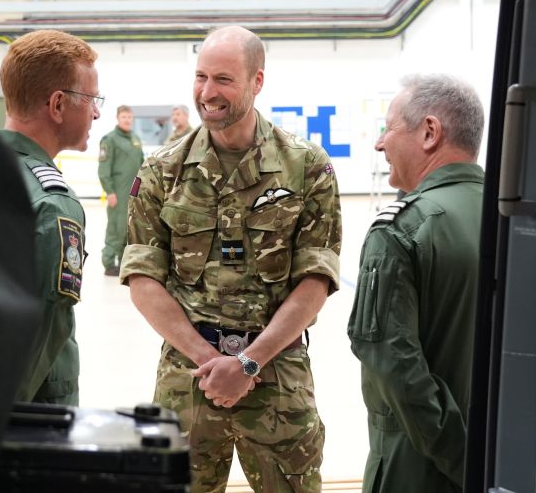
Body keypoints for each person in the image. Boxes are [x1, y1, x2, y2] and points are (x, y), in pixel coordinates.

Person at [119, 26, 341, 492]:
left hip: (277, 371)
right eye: (201, 76)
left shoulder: (306, 167)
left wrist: (248, 364)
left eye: (223, 79)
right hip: (189, 376)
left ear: (257, 81)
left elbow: (316, 280)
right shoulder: (162, 170)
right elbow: (142, 277)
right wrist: (212, 362)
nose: (207, 92)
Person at [347, 74, 485, 493]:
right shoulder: (517, 219)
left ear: (429, 132)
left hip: (421, 471)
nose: (379, 143)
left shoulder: (403, 229)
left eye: (388, 128)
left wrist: (466, 464)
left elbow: (396, 368)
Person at [0, 29, 102, 405]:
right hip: (29, 421)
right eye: (91, 98)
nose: (96, 111)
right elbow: (40, 334)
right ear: (58, 105)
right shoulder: (53, 204)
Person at [98, 105, 144, 276]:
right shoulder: (109, 140)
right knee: (116, 227)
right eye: (124, 117)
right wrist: (109, 191)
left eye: (129, 117)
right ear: (118, 118)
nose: (127, 120)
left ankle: (123, 261)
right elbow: (104, 168)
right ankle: (109, 262)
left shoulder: (135, 139)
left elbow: (141, 166)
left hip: (133, 193)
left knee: (129, 227)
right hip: (117, 192)